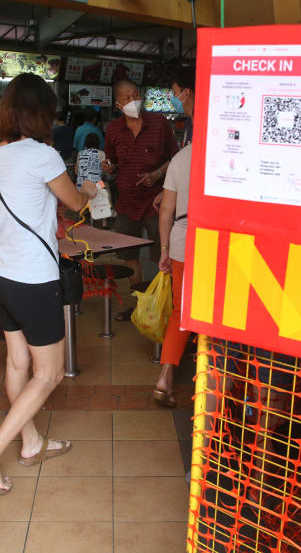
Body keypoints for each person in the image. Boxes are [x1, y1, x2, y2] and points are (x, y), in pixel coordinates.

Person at [0, 73, 98, 495]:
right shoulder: (43, 155)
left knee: (17, 364)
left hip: (1, 276)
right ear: (41, 114)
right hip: (34, 280)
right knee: (49, 374)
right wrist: (92, 188)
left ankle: (32, 443)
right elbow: (76, 203)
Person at [103, 80, 179, 318]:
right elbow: (112, 165)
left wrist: (157, 174)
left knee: (163, 257)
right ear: (117, 104)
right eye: (126, 98)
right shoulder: (113, 130)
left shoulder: (159, 124)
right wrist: (108, 168)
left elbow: (176, 159)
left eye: (135, 94)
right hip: (126, 204)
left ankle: (163, 307)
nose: (132, 100)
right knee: (129, 258)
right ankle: (139, 306)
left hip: (157, 203)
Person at [153, 67, 196, 407]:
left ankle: (165, 375)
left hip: (183, 240)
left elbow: (165, 210)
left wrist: (165, 250)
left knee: (181, 314)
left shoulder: (182, 158)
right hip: (222, 244)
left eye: (176, 91)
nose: (174, 98)